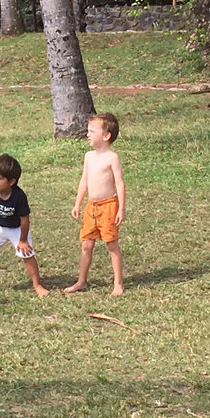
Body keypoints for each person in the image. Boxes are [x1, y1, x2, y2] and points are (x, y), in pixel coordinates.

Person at [0, 154, 49, 298]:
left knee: (27, 254)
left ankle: (37, 285)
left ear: (11, 181)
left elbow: (25, 220)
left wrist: (23, 240)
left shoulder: (19, 196)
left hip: (17, 229)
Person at [65, 113, 126, 296]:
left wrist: (121, 208)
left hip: (108, 206)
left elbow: (120, 183)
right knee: (86, 244)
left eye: (92, 131)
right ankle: (81, 281)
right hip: (91, 206)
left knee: (111, 244)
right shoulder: (89, 156)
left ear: (106, 136)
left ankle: (118, 283)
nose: (88, 134)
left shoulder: (112, 158)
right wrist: (78, 203)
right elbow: (84, 181)